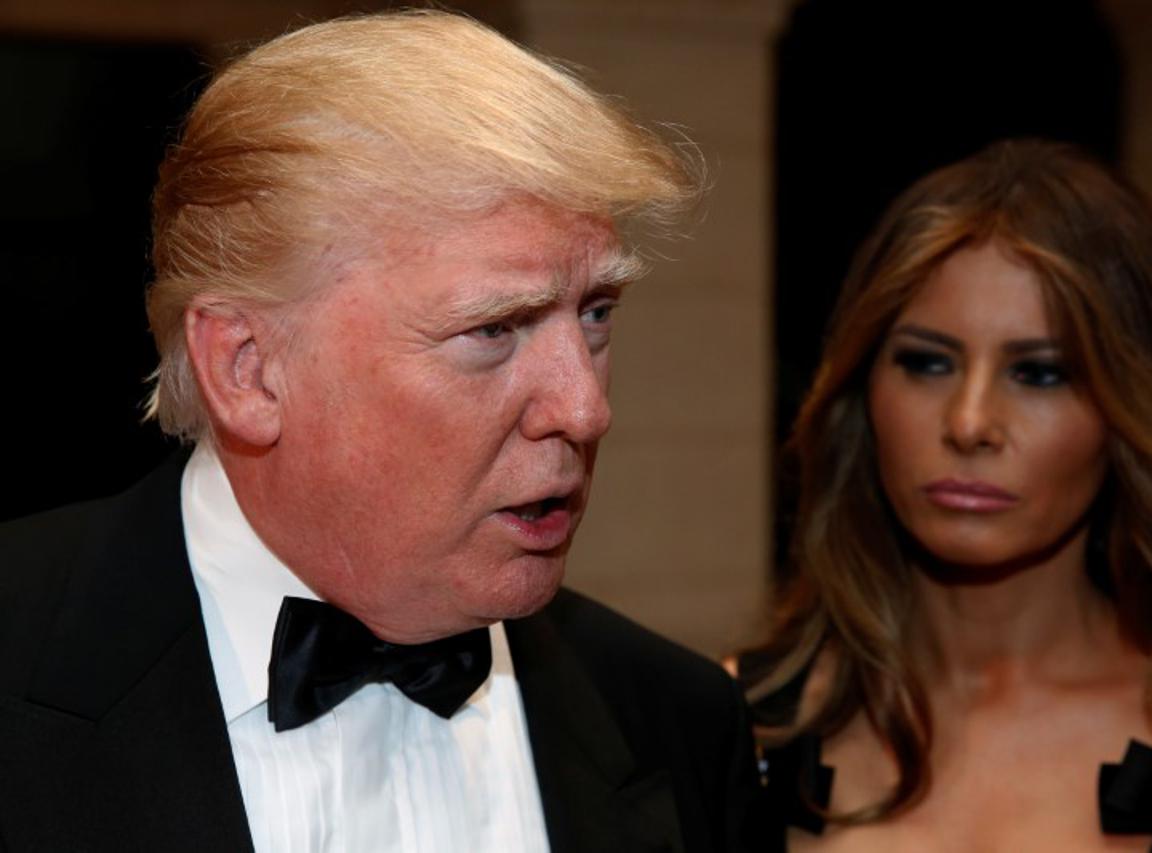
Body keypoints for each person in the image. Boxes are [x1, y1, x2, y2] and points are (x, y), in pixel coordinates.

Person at [0, 11, 770, 853]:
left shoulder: (676, 720)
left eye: (594, 314)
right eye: (494, 329)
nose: (585, 408)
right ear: (248, 369)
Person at [739, 139, 1152, 851]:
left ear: (1134, 407)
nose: (968, 423)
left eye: (1040, 374)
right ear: (859, 390)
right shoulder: (732, 721)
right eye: (926, 362)